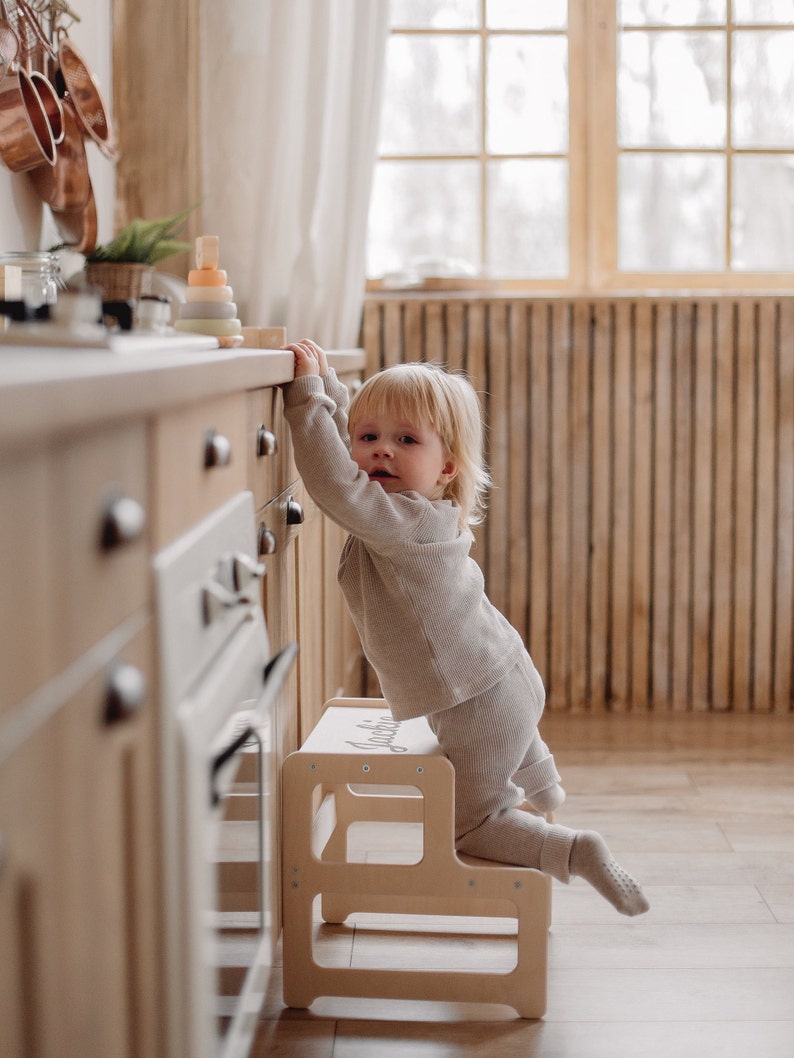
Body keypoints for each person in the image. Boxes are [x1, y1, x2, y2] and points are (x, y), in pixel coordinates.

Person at [282, 338, 649, 917]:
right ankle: (543, 784)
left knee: (473, 827)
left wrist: (307, 399)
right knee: (510, 739)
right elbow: (350, 448)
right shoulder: (424, 511)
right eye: (369, 438)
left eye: (406, 441)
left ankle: (575, 851)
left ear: (446, 466)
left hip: (477, 702)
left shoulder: (397, 521)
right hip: (505, 674)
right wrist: (328, 385)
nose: (381, 453)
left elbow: (332, 483)